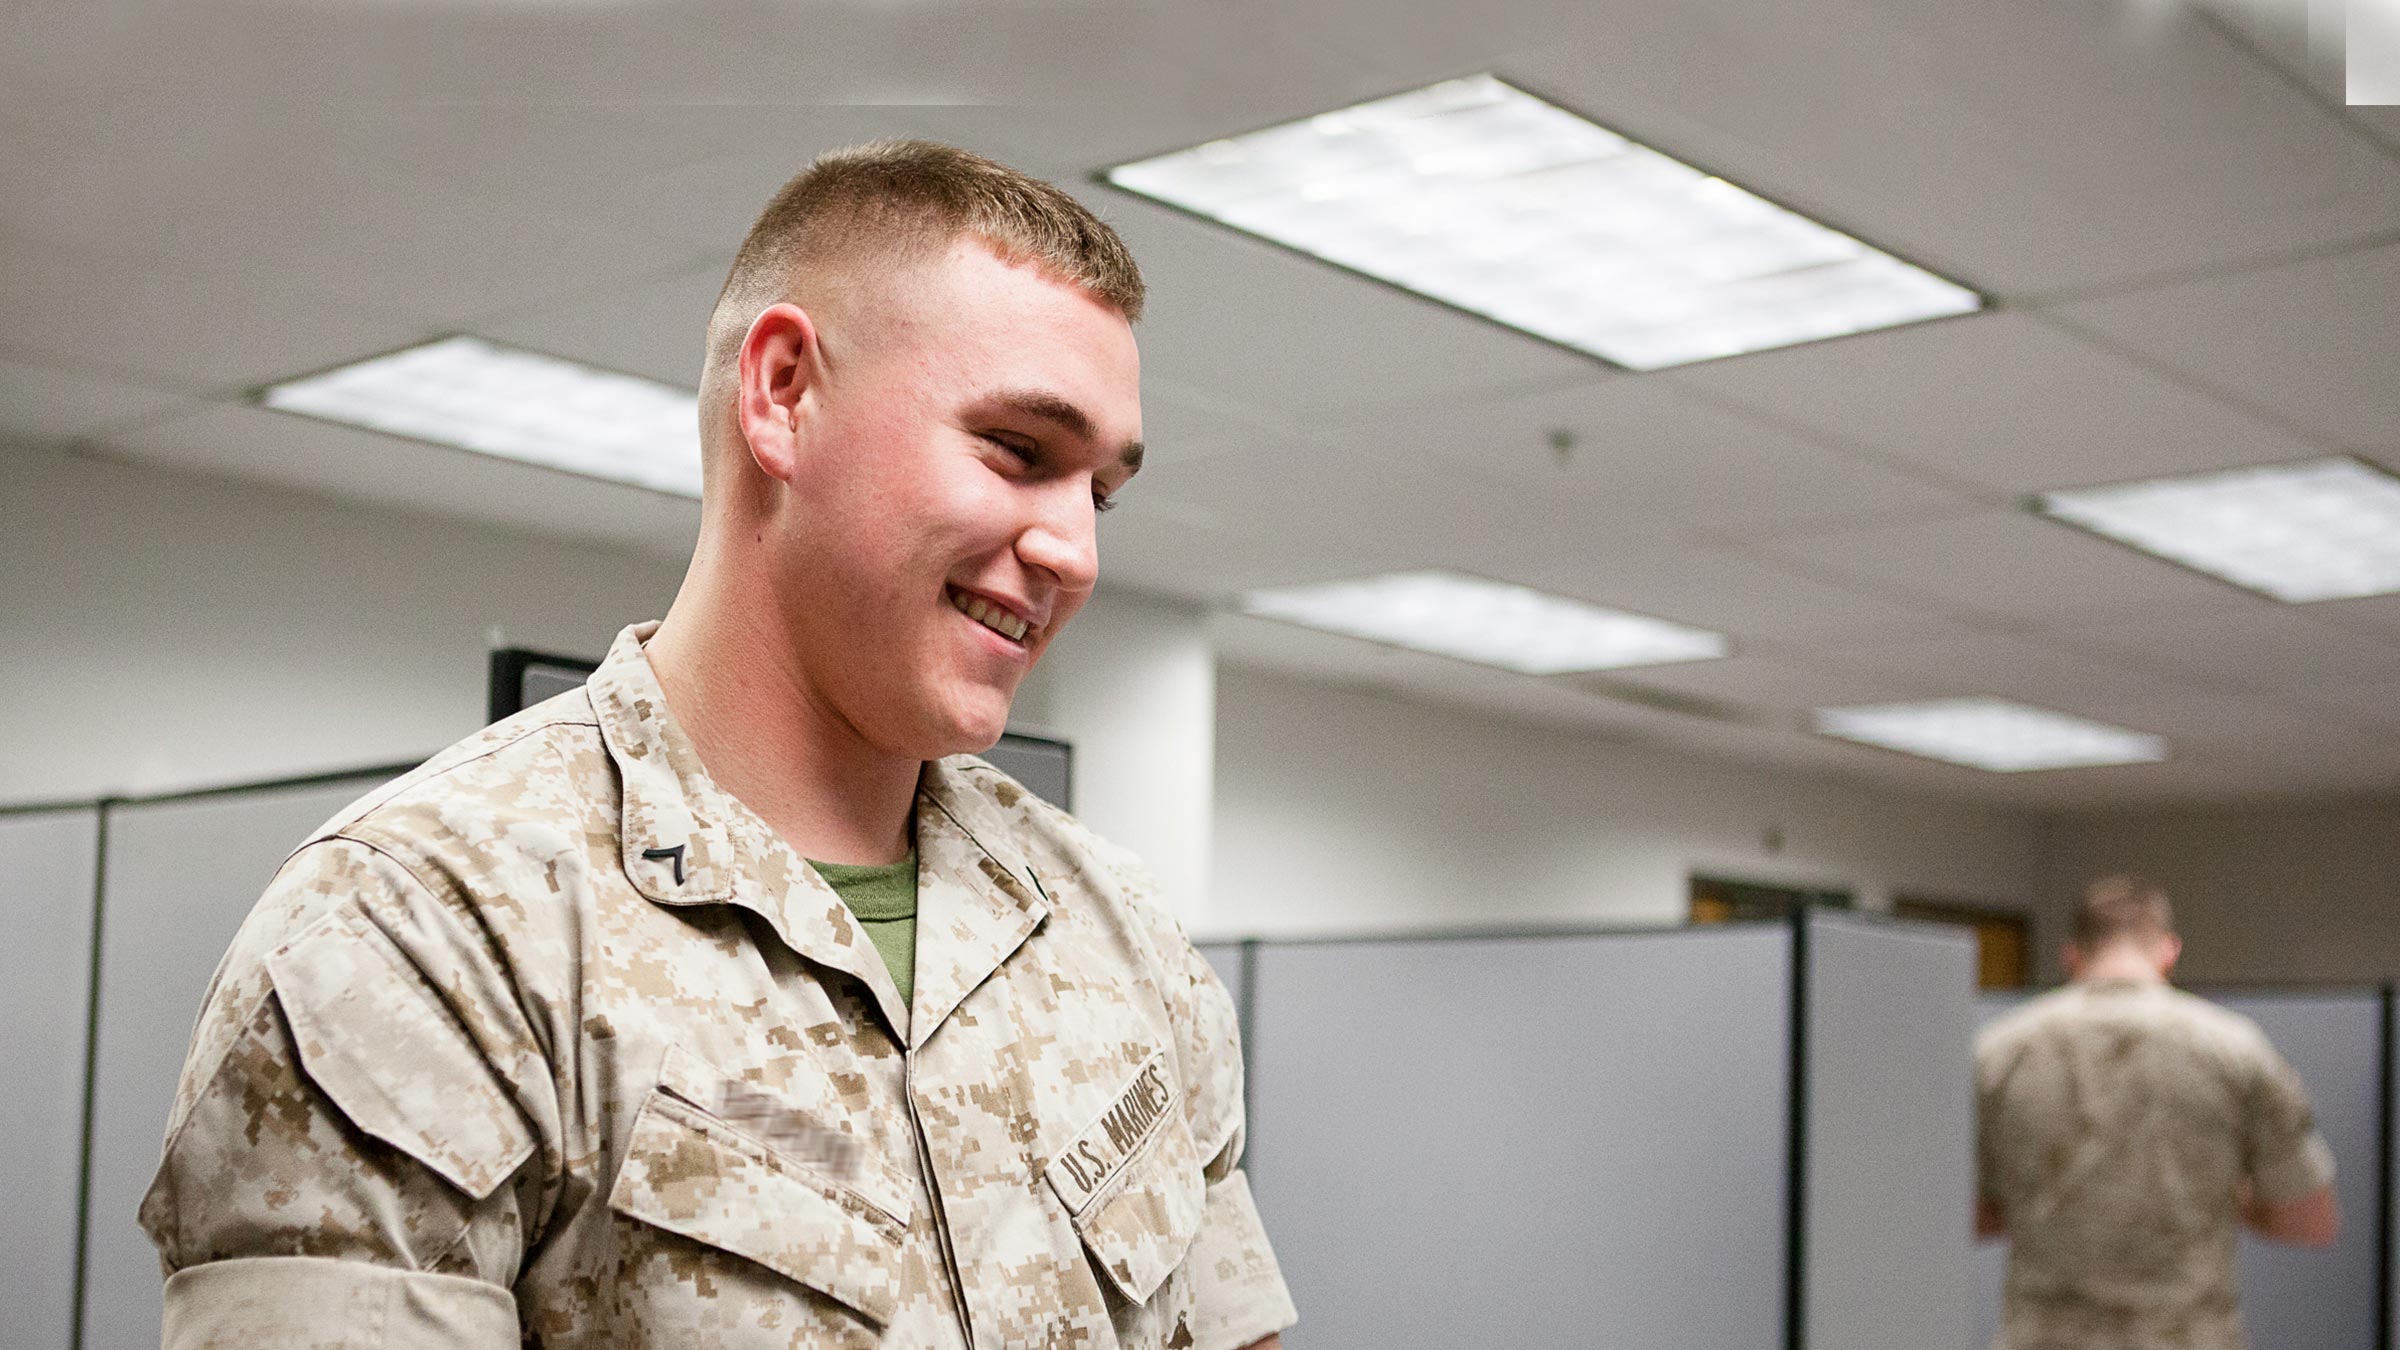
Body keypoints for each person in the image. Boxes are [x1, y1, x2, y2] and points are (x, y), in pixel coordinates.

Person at [138, 140, 1296, 1350]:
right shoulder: (428, 932)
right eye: (1019, 451)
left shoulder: (1117, 934)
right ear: (785, 393)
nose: (1076, 551)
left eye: (1099, 492)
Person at [1975, 874, 2336, 1350]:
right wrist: (2225, 1194)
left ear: (2071, 956)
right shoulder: (2234, 1048)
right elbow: (2310, 1221)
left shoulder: (1998, 1051)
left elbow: (1963, 1213)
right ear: (2168, 951)